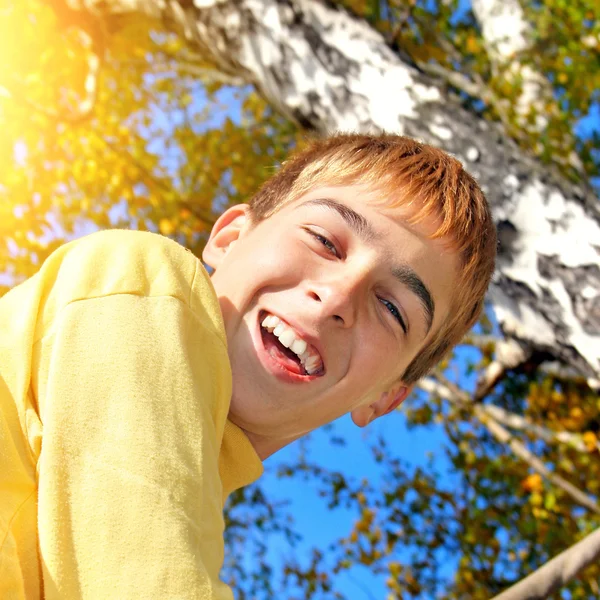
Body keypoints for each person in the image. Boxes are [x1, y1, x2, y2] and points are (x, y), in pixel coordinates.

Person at [0, 134, 496, 598]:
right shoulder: (144, 280)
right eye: (325, 240)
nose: (337, 298)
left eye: (392, 309)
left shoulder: (192, 520)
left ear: (385, 397)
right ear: (231, 236)